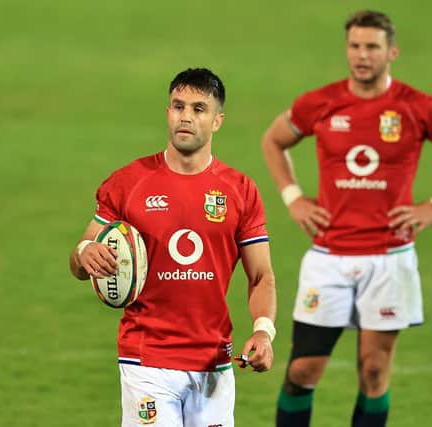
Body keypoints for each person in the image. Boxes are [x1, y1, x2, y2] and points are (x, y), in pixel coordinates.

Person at [262, 10, 432, 427]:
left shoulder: (418, 107)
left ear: (392, 52)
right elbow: (274, 140)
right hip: (328, 257)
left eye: (372, 47)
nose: (361, 55)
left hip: (389, 259)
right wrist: (293, 197)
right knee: (301, 372)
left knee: (373, 372)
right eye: (355, 46)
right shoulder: (321, 102)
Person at [69, 68, 277, 427]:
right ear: (168, 112)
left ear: (217, 121)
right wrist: (85, 252)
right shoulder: (129, 182)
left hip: (213, 361)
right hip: (146, 359)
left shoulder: (240, 191)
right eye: (178, 106)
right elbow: (80, 257)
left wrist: (263, 331)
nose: (186, 116)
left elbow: (261, 275)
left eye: (199, 108)